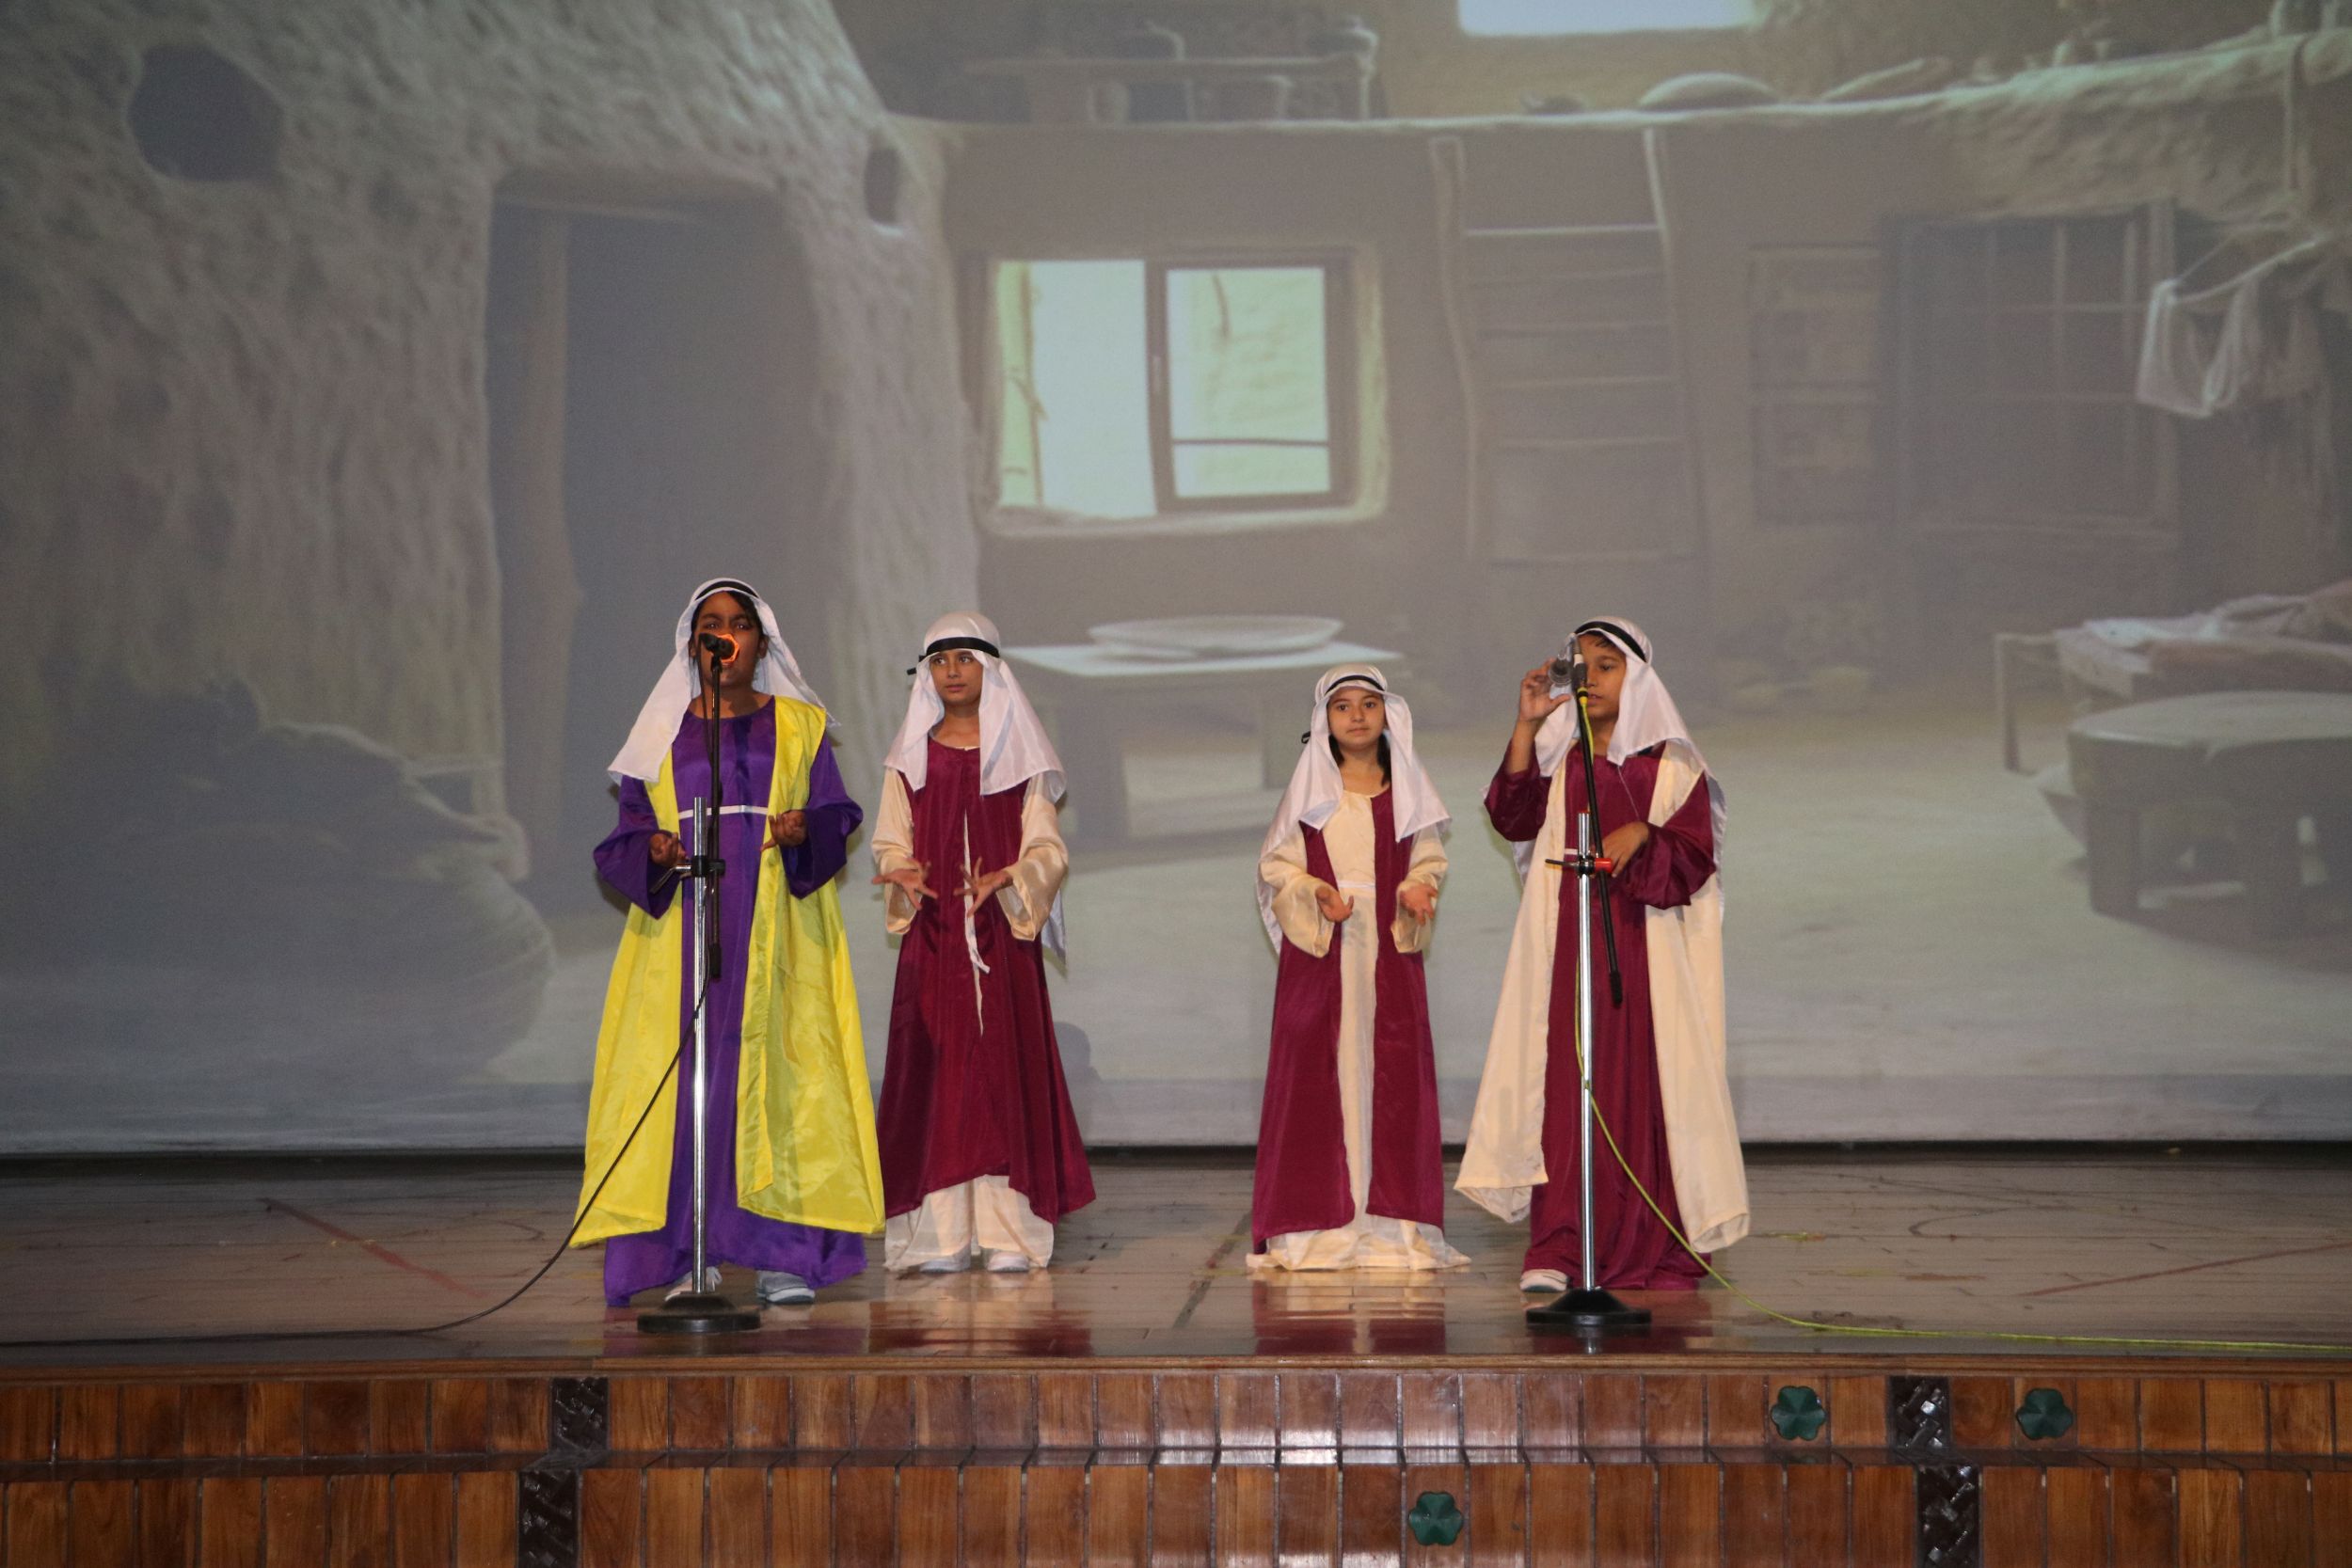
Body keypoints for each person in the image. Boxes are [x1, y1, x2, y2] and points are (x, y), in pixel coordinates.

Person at [572, 578, 882, 1308]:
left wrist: (805, 827)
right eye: (711, 623)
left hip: (776, 935)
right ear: (693, 644)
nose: (726, 635)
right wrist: (653, 848)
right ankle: (691, 1255)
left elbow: (836, 814)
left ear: (761, 643)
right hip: (683, 935)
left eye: (739, 623)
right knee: (689, 1085)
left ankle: (782, 1254)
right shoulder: (661, 733)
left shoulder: (801, 726)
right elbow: (623, 838)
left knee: (778, 1082)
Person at [1456, 619, 1747, 1293]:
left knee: (1643, 1090)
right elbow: (1512, 816)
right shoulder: (1560, 756)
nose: (1590, 679)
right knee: (1565, 1089)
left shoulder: (1673, 768)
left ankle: (1650, 1238)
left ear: (1639, 679)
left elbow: (1692, 860)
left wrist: (1643, 831)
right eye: (1580, 666)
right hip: (1566, 945)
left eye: (1607, 666)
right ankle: (1561, 1244)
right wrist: (1527, 725)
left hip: (1644, 954)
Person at [871, 612, 1094, 1273]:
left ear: (991, 671)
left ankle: (1009, 1233)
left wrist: (1012, 876)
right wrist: (901, 872)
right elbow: (890, 838)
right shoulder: (909, 758)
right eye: (940, 661)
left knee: (1003, 1073)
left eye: (965, 659)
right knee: (939, 1075)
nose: (952, 671)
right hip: (934, 939)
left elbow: (1047, 848)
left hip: (1001, 937)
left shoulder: (1020, 759)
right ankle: (938, 1235)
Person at [1249, 664, 1465, 1271]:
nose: (1357, 716)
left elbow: (1428, 856)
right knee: (1323, 1075)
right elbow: (1276, 867)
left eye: (1369, 703)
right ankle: (1318, 1225)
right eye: (1342, 706)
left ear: (1387, 713)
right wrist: (1316, 891)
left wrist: (1419, 887)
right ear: (1324, 720)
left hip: (1388, 948)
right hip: (1325, 948)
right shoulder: (1308, 794)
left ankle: (1392, 1225)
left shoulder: (1408, 790)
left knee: (1390, 1077)